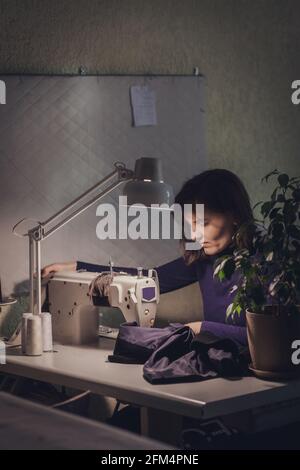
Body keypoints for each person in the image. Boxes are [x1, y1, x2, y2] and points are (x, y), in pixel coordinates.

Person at [42, 169, 254, 346]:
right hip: (222, 363)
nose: (195, 235)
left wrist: (200, 328)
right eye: (190, 226)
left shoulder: (266, 263)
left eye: (204, 223)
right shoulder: (203, 258)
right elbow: (147, 279)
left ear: (234, 215)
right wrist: (79, 267)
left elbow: (274, 337)